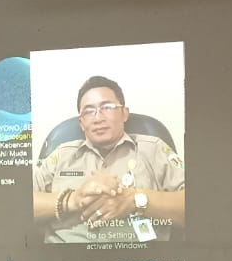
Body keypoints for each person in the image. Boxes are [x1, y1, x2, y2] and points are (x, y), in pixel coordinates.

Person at [32, 75, 185, 244]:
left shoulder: (154, 149)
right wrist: (72, 200)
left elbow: (198, 207)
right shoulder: (61, 155)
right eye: (89, 111)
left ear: (124, 113)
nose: (98, 118)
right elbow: (17, 205)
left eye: (107, 107)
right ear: (81, 123)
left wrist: (135, 199)